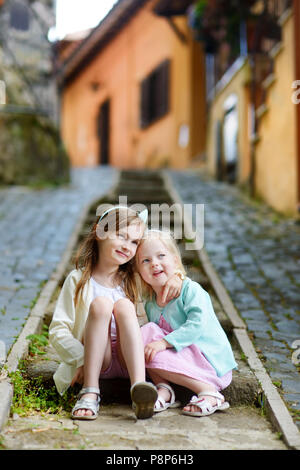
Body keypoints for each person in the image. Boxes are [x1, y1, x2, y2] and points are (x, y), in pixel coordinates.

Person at [49, 206, 181, 421]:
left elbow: (162, 271)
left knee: (124, 306)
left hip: (129, 356)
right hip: (96, 359)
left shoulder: (135, 279)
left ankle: (139, 388)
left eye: (134, 242)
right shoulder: (78, 279)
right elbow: (58, 330)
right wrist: (80, 358)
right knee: (101, 304)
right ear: (99, 231)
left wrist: (176, 277)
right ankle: (90, 392)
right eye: (121, 236)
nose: (127, 246)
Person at [135, 229, 238, 417]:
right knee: (143, 336)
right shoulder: (150, 302)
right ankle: (164, 390)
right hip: (184, 358)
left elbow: (197, 325)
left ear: (175, 261)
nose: (154, 264)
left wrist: (164, 343)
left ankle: (209, 392)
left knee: (152, 342)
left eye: (161, 256)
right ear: (139, 271)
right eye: (146, 260)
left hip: (209, 362)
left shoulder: (190, 290)